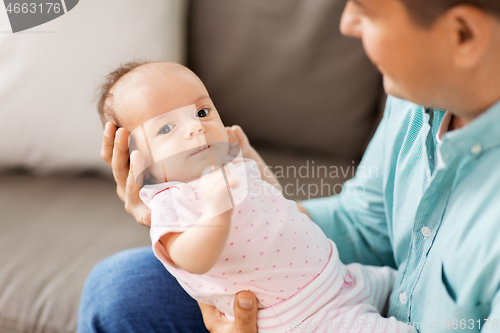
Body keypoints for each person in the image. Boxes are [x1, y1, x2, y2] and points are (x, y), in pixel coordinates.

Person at [77, 0, 500, 332]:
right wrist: (262, 201)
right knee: (120, 288)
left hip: (323, 310)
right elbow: (365, 223)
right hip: (327, 286)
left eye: (367, 10)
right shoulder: (418, 93)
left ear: (462, 34)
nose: (346, 23)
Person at [86, 60, 415, 332]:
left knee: (405, 286)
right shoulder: (171, 201)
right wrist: (217, 212)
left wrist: (253, 160)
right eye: (166, 128)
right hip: (305, 317)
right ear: (138, 162)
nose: (195, 127)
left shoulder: (227, 167)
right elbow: (191, 259)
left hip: (339, 276)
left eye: (201, 113)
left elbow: (273, 198)